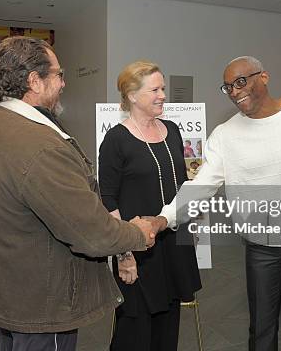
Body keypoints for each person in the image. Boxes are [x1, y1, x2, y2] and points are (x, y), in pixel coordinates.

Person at [0, 36, 157, 351]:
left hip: (8, 291)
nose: (64, 83)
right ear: (34, 81)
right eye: (58, 74)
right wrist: (138, 232)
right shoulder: (38, 144)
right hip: (43, 303)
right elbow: (91, 233)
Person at [152, 56, 281, 351]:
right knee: (261, 328)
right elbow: (202, 185)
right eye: (227, 87)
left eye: (241, 81)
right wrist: (164, 218)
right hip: (261, 246)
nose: (235, 91)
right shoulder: (225, 135)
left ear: (264, 77)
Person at [99, 61, 201, 351]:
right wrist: (125, 253)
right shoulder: (116, 140)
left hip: (174, 247)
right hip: (139, 251)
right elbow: (108, 200)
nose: (162, 95)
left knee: (168, 331)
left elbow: (183, 185)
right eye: (154, 89)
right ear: (132, 95)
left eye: (163, 88)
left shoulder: (172, 130)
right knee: (134, 333)